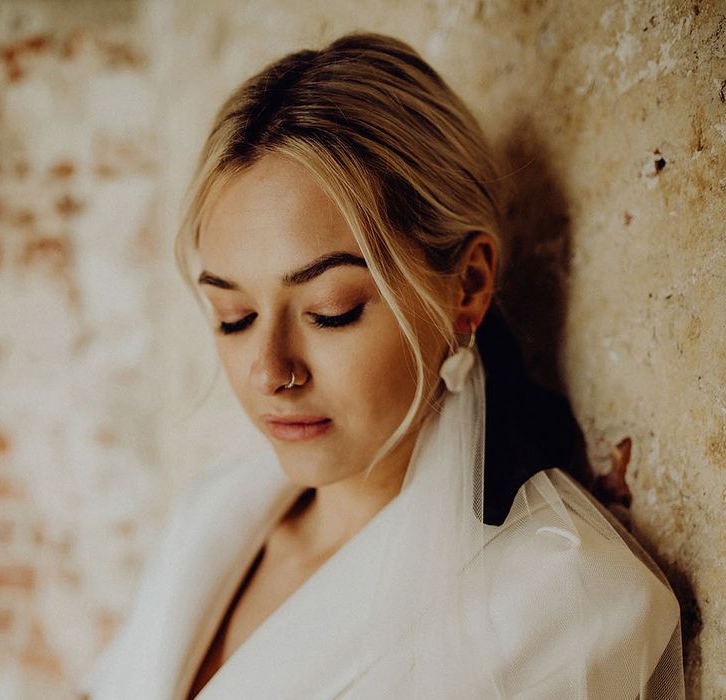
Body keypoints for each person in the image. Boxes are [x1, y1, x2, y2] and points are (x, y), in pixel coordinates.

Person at [79, 32, 684, 699]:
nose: (269, 370)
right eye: (233, 317)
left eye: (330, 311)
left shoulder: (566, 602)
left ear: (469, 285)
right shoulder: (207, 518)